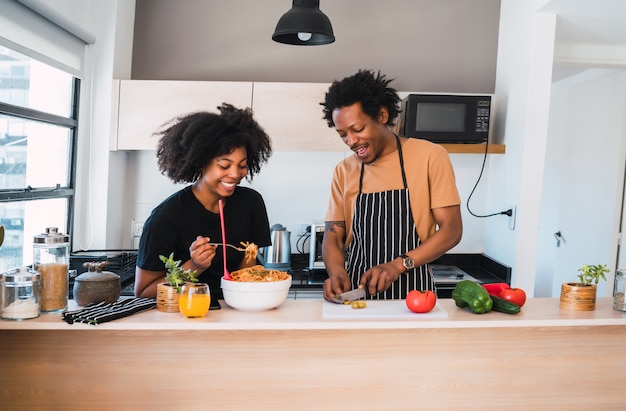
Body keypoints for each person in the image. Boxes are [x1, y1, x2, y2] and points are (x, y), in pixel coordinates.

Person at [320, 69, 463, 301]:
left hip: (415, 296)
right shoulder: (344, 171)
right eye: (343, 134)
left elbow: (451, 230)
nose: (351, 141)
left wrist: (398, 265)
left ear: (382, 115)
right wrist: (336, 273)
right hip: (357, 296)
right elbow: (334, 235)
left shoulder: (430, 156)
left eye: (358, 129)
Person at [134, 103, 273, 300]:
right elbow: (143, 292)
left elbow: (246, 271)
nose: (235, 174)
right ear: (200, 161)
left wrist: (249, 265)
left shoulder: (251, 203)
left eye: (242, 165)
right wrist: (194, 266)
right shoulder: (165, 218)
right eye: (224, 165)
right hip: (186, 317)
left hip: (236, 312)